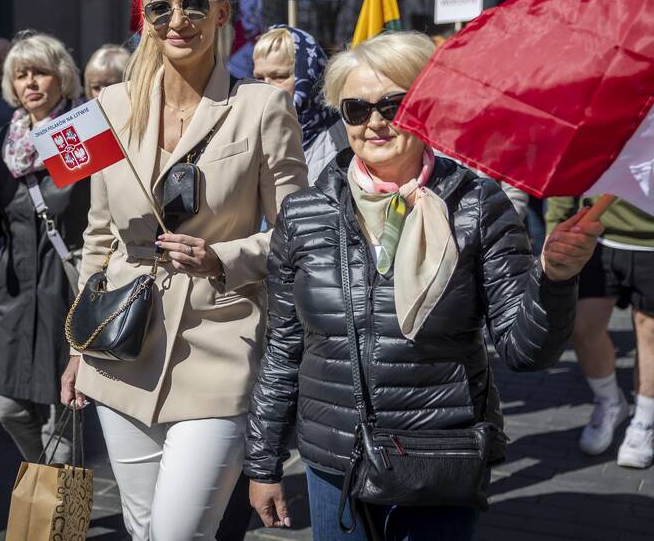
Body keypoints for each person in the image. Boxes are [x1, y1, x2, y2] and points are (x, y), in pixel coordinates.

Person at [244, 31, 601, 540]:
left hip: (440, 458)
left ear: (428, 107)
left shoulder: (477, 205)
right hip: (334, 458)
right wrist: (263, 462)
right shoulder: (304, 215)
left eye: (395, 104)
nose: (375, 122)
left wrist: (554, 280)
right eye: (356, 109)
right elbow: (284, 348)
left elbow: (525, 352)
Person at [59, 0, 308, 540]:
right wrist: (77, 343)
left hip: (219, 345)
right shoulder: (107, 108)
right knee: (144, 531)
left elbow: (300, 237)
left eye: (194, 4)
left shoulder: (263, 107)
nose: (178, 20)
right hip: (121, 346)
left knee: (176, 535)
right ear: (142, 16)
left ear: (222, 13)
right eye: (160, 7)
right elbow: (97, 236)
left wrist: (224, 256)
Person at [0, 31, 87, 466]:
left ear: (61, 77)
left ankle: (57, 518)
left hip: (65, 286)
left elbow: (97, 214)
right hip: (14, 291)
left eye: (40, 73)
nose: (31, 83)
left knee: (62, 415)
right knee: (6, 407)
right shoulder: (8, 138)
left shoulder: (80, 131)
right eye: (21, 75)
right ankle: (45, 479)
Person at [548, 197, 654, 468]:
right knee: (582, 327)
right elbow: (570, 165)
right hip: (598, 236)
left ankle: (644, 420)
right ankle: (609, 402)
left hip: (650, 244)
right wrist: (555, 226)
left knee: (649, 333)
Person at [252, 25, 338, 148]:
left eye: (279, 77)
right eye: (259, 78)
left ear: (308, 78)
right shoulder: (245, 135)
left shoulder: (344, 144)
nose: (264, 87)